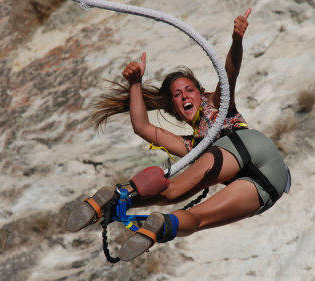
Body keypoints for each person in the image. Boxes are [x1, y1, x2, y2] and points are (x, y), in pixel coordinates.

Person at [66, 8, 291, 261]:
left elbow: (229, 72)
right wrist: (135, 85)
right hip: (268, 186)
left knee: (176, 189)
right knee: (195, 220)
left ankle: (119, 196)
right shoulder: (192, 146)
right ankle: (161, 225)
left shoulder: (216, 105)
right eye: (177, 94)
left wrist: (237, 41)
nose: (185, 96)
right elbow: (142, 127)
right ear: (173, 108)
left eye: (189, 90)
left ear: (202, 93)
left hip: (250, 147)